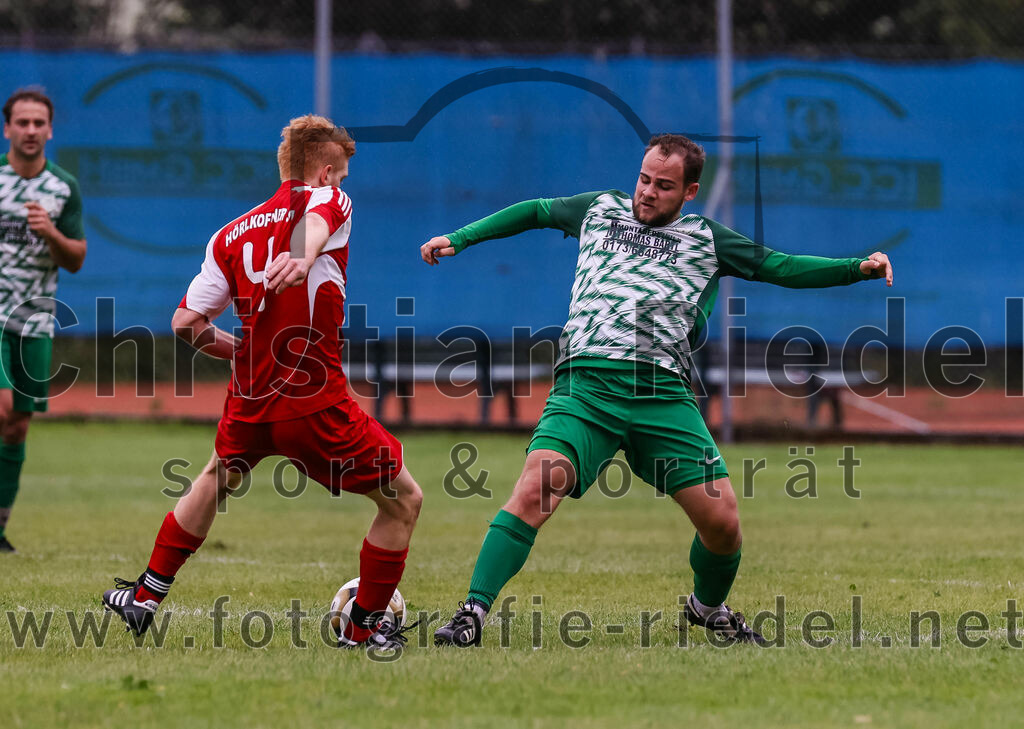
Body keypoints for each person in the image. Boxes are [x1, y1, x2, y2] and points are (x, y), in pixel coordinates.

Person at [421, 133, 893, 647]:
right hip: (588, 386)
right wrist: (462, 237)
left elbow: (779, 266)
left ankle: (707, 608)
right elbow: (535, 211)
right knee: (537, 486)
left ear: (689, 193)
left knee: (723, 522)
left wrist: (856, 270)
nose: (647, 192)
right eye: (644, 179)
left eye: (663, 186)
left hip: (662, 393)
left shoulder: (707, 239)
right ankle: (472, 614)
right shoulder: (599, 209)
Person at [101, 115, 423, 654]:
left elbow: (186, 324)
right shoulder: (328, 201)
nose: (341, 186)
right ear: (325, 172)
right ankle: (363, 629)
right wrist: (302, 252)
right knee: (404, 502)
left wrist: (243, 350)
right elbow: (318, 220)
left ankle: (145, 595)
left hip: (249, 399)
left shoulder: (230, 233)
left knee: (215, 475)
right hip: (313, 400)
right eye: (339, 175)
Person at [0, 88, 87, 554]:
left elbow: (75, 258)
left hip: (34, 321)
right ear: (8, 127)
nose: (30, 130)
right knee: (0, 410)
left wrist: (50, 232)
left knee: (16, 424)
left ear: (49, 130)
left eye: (39, 123)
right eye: (22, 122)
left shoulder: (62, 187)